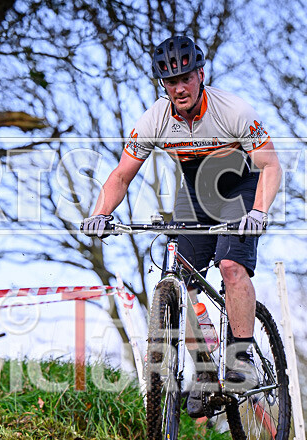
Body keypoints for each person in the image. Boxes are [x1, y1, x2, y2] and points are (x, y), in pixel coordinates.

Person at [81, 36, 282, 417]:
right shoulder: (155, 119)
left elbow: (270, 165)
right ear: (163, 85)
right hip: (194, 194)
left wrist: (258, 212)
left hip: (240, 188)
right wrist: (100, 213)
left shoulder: (232, 110)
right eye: (171, 82)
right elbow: (121, 175)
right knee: (180, 278)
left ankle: (241, 358)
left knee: (230, 266)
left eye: (186, 77)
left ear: (200, 74)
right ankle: (205, 368)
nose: (180, 87)